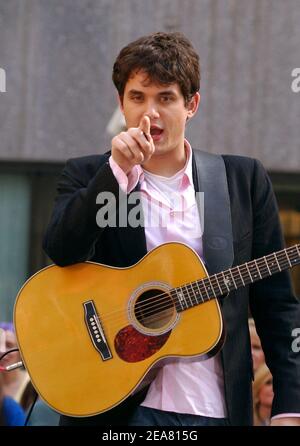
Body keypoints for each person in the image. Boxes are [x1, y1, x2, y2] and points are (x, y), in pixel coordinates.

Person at [43, 32, 300, 426]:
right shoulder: (88, 174)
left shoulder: (241, 180)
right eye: (137, 97)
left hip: (213, 408)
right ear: (121, 103)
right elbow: (62, 249)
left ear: (191, 104)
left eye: (165, 98)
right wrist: (114, 174)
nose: (150, 114)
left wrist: (289, 404)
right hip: (116, 409)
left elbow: (278, 306)